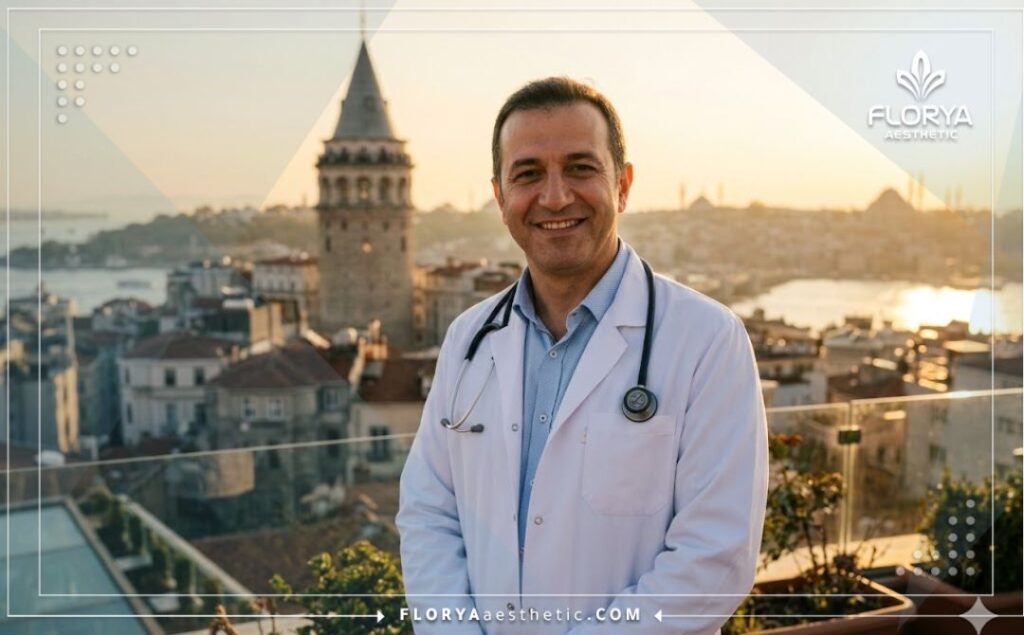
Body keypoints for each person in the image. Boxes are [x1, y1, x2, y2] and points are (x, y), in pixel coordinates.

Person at [397, 77, 768, 634]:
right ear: (499, 198)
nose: (554, 197)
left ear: (623, 185)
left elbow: (714, 558)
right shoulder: (469, 339)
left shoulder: (708, 341)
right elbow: (429, 512)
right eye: (527, 174)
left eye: (580, 168)